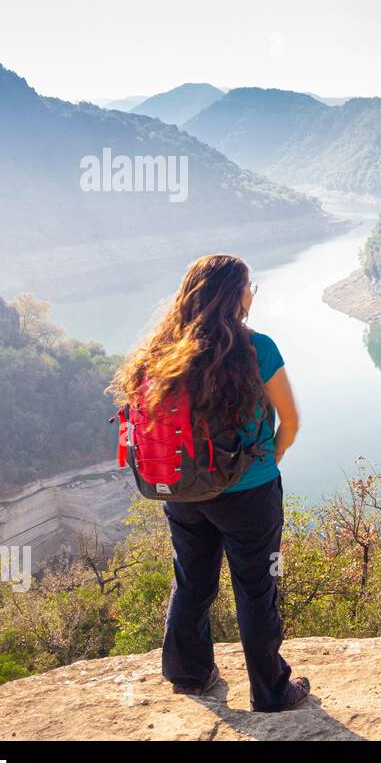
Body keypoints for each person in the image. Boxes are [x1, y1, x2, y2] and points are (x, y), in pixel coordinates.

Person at [111, 254, 310, 712]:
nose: (252, 295)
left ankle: (189, 674)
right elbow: (291, 421)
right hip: (248, 494)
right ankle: (272, 691)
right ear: (235, 295)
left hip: (182, 491)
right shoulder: (257, 348)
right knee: (257, 586)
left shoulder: (159, 355)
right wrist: (267, 464)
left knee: (192, 579)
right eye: (249, 287)